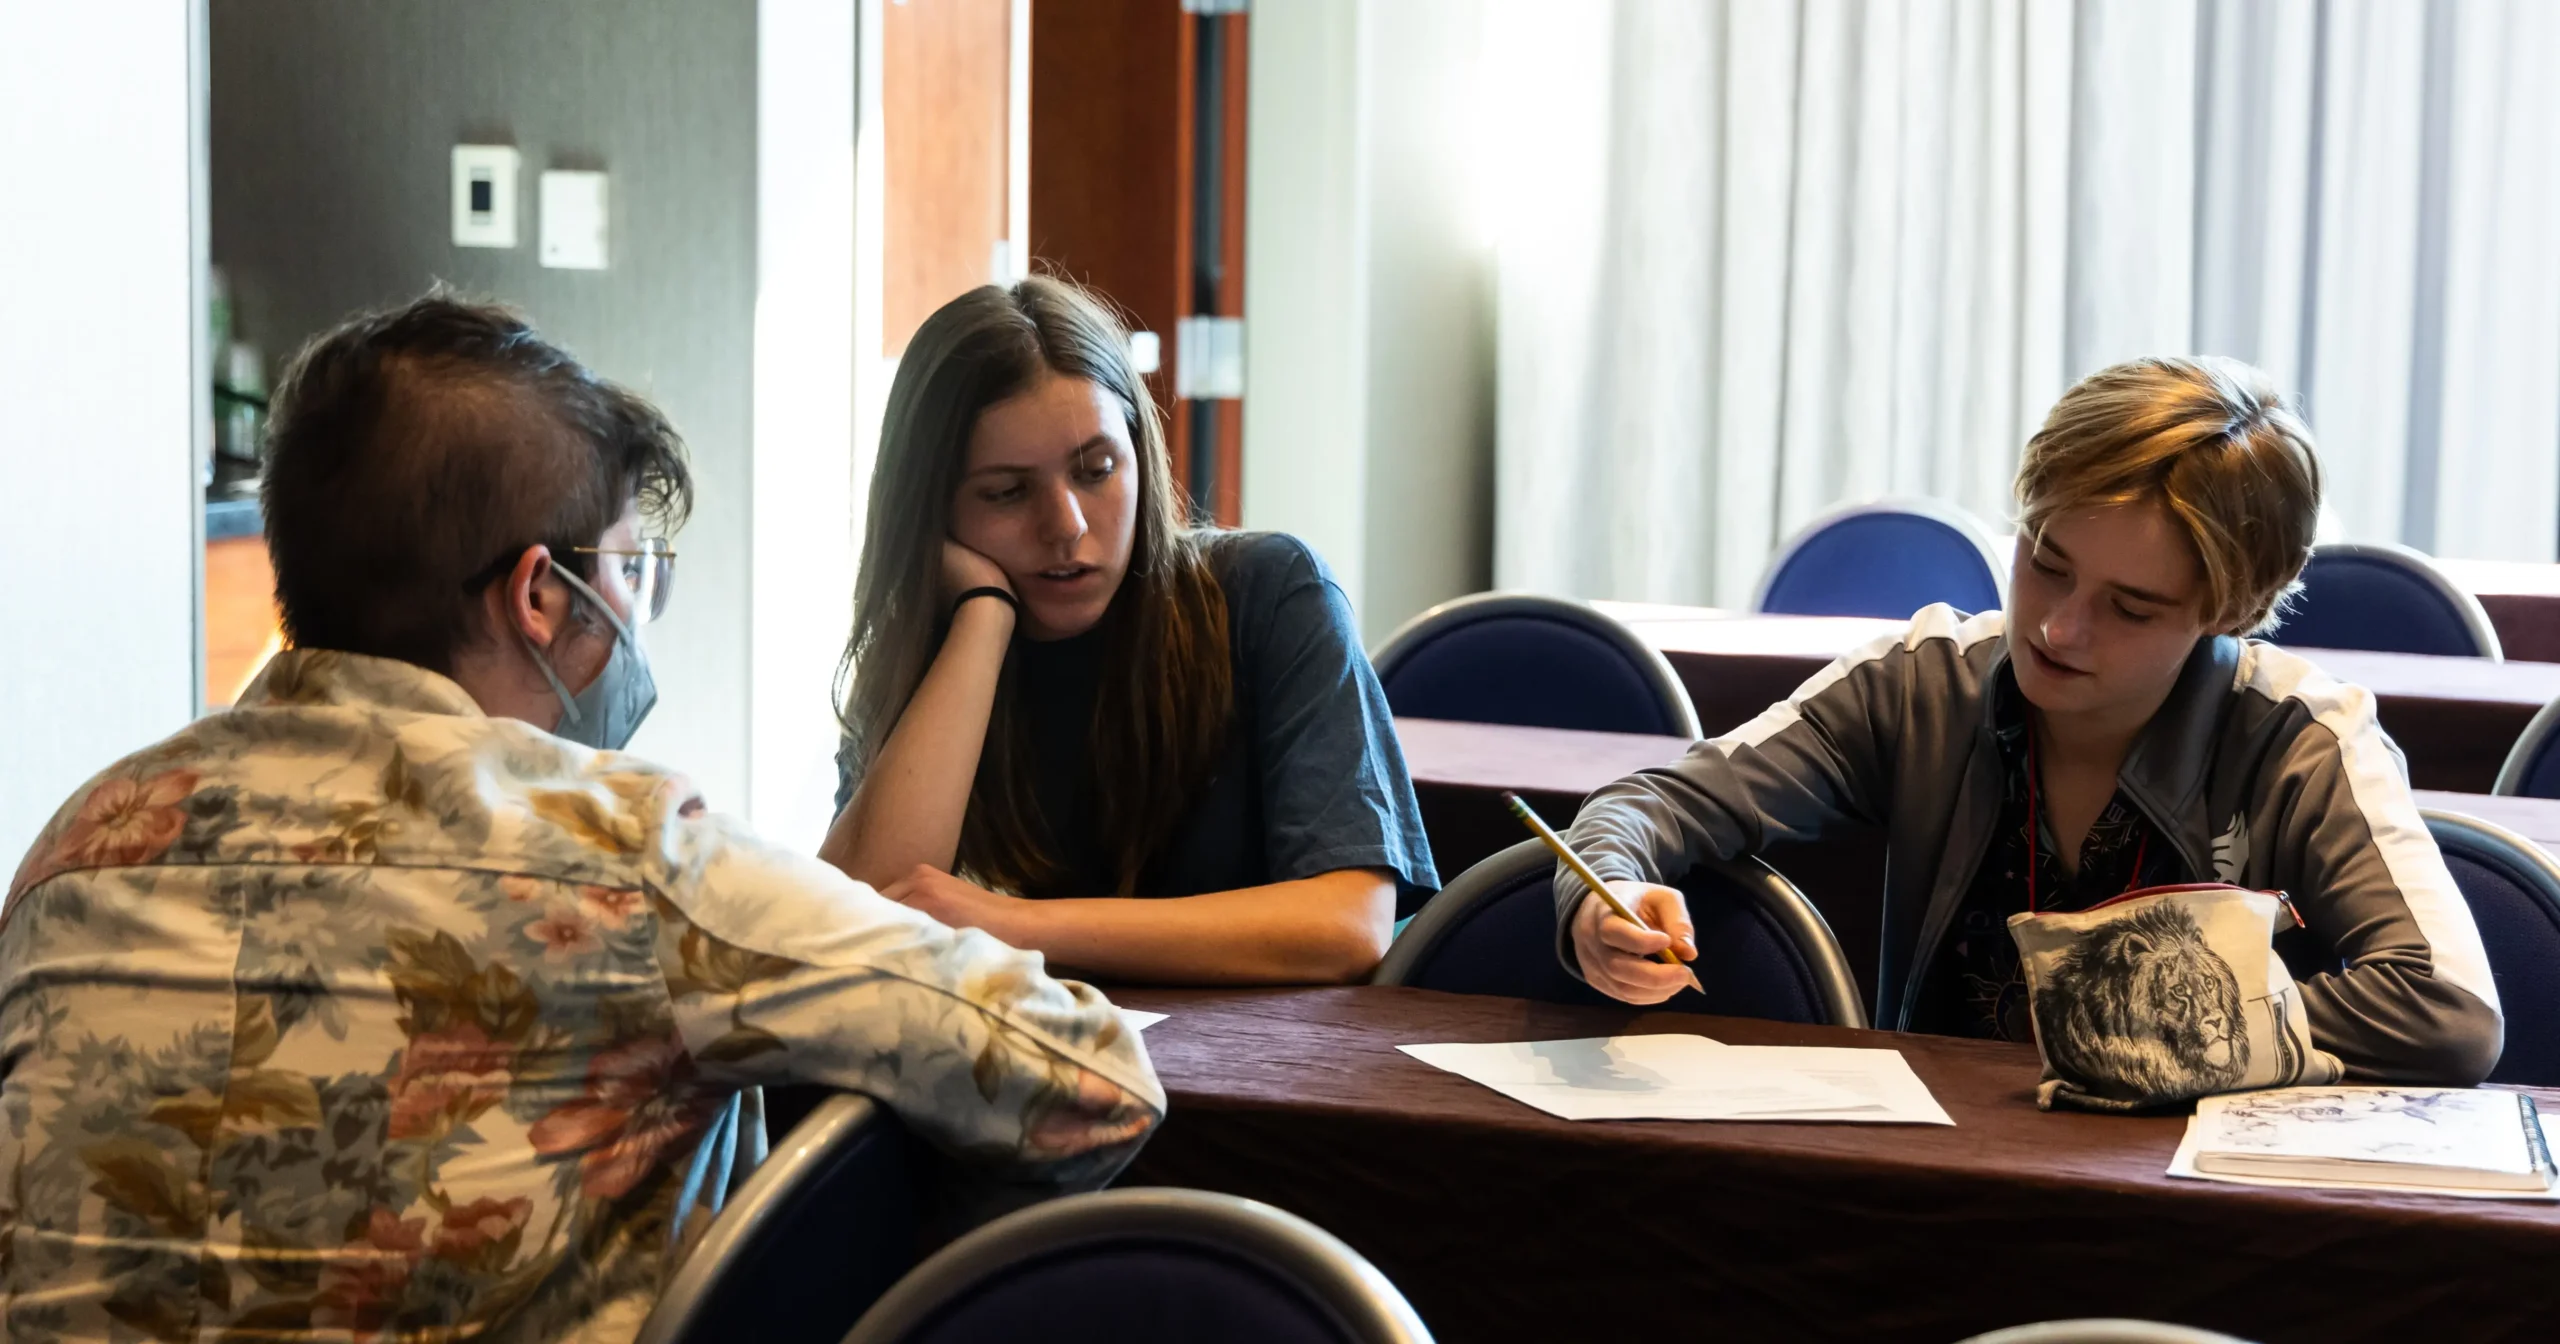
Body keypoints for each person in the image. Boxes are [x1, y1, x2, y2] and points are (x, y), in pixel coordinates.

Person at [0, 296, 1162, 1342]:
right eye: (627, 568)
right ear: (541, 596)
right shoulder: (625, 859)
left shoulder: (83, 842)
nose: (636, 610)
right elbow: (1092, 1081)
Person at [1558, 356, 2504, 1083]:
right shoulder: (1925, 682)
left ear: (2229, 609)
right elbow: (1649, 806)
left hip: (2190, 1204)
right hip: (1944, 1178)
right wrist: (1602, 900)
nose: (2058, 626)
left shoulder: (2302, 735)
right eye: (2045, 560)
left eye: (2131, 608)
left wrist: (2172, 1026)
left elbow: (2451, 1006)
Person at [821, 277, 1435, 985]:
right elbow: (851, 929)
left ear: (1140, 454)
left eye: (1097, 470)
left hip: (1259, 1080)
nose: (1068, 527)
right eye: (1007, 492)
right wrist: (982, 618)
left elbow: (1347, 925)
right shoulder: (931, 650)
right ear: (932, 511)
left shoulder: (1269, 591)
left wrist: (1009, 926)